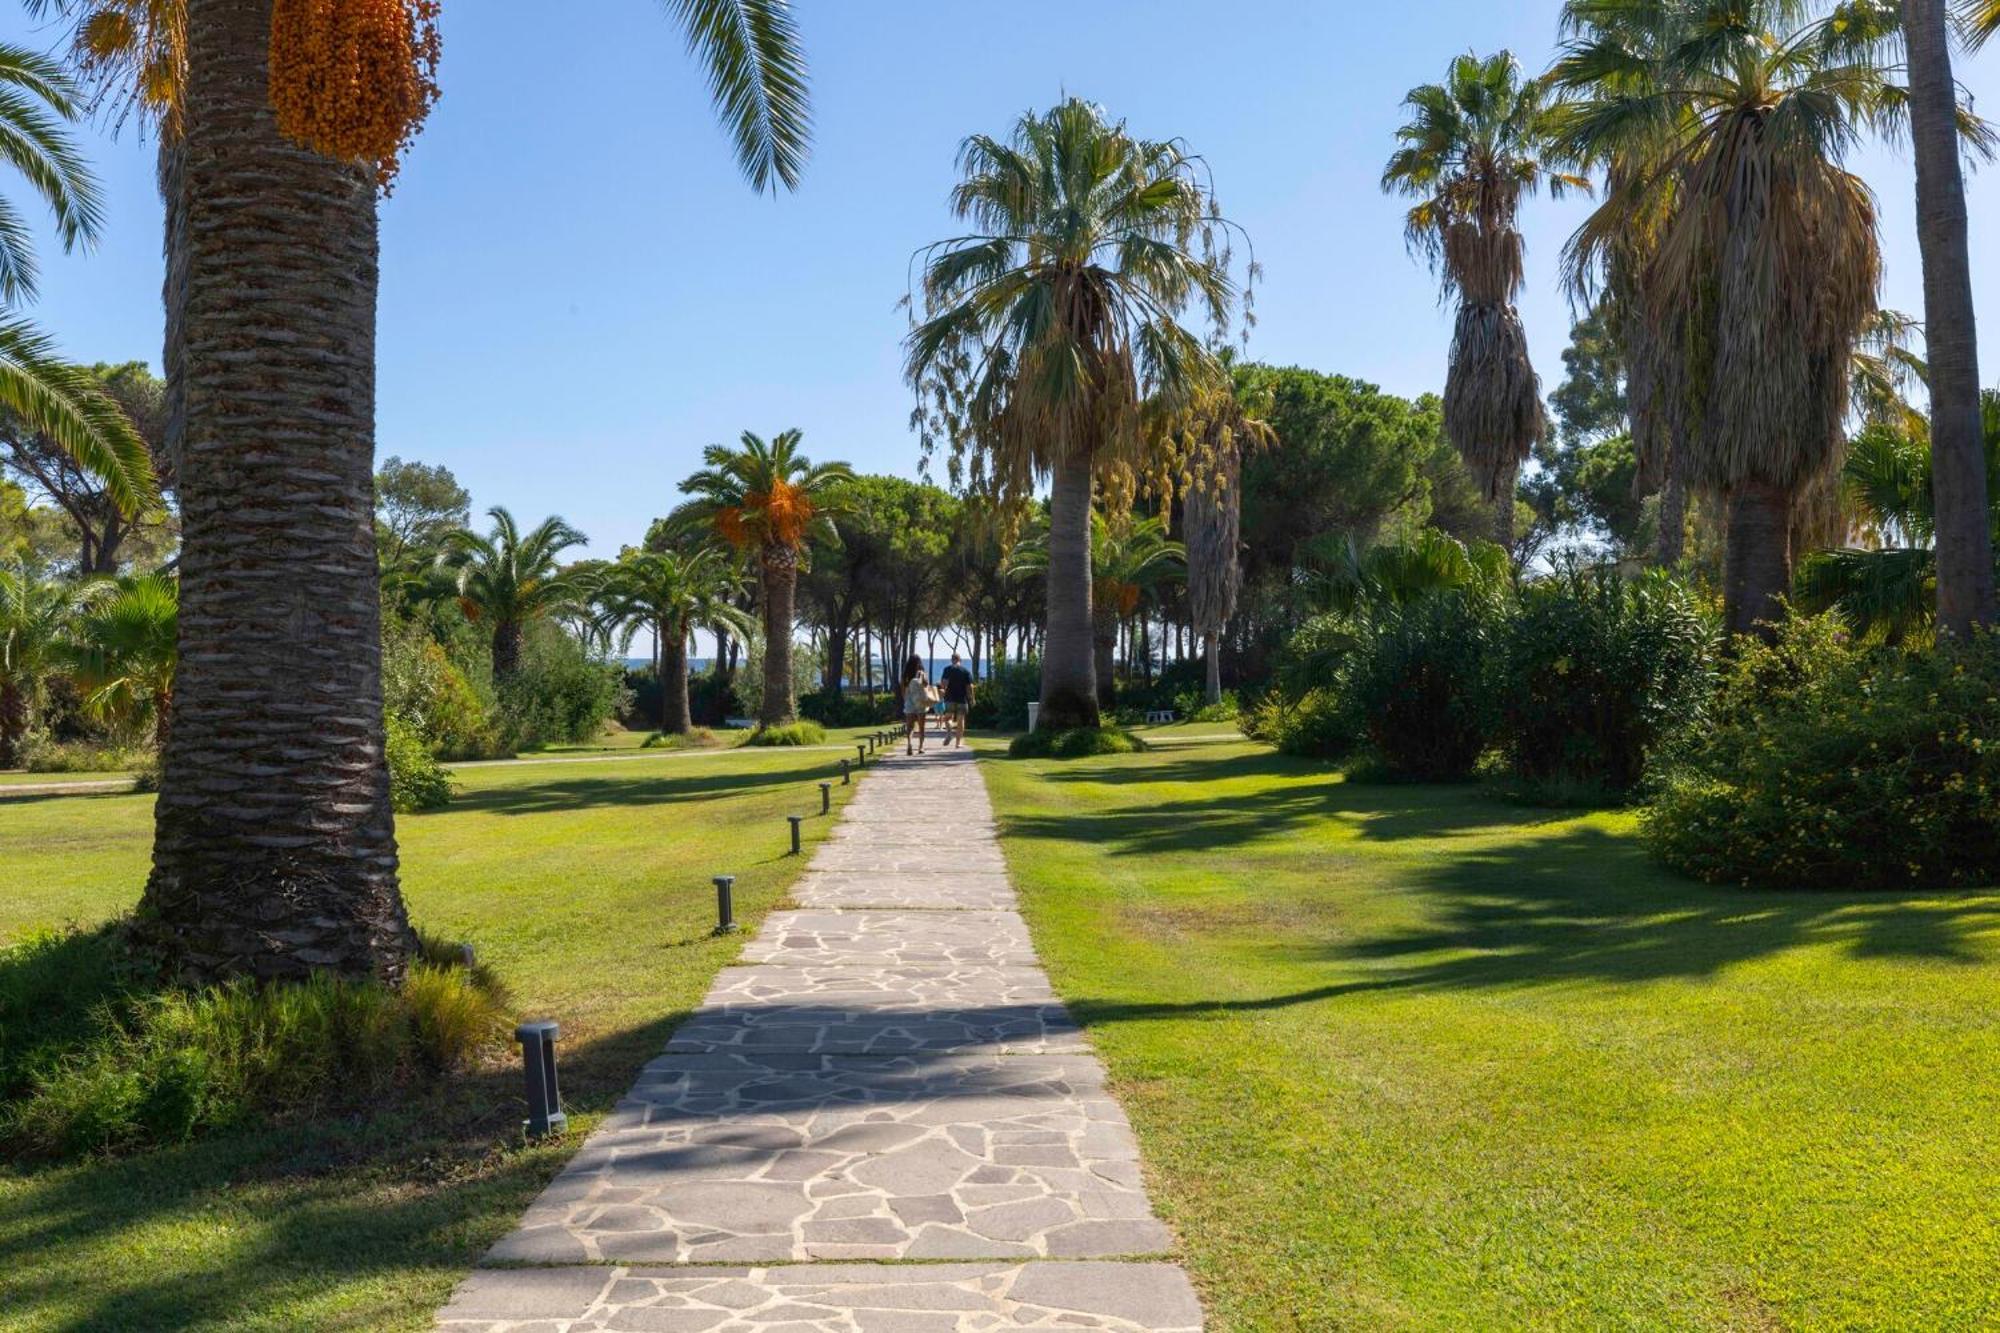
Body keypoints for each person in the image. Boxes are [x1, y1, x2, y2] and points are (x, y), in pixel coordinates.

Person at [937, 651, 974, 747]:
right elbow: (969, 687)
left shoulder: (947, 669)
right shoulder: (966, 671)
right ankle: (958, 743)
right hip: (962, 699)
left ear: (952, 660)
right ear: (960, 660)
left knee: (948, 717)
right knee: (960, 721)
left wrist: (942, 690)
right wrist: (972, 699)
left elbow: (943, 684)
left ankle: (949, 733)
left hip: (949, 698)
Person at [900, 653, 932, 755]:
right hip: (920, 701)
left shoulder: (905, 675)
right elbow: (926, 685)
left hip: (909, 701)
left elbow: (903, 689)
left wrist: (905, 700)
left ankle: (909, 744)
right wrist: (922, 676)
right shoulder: (921, 673)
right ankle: (921, 747)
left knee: (909, 727)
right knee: (921, 727)